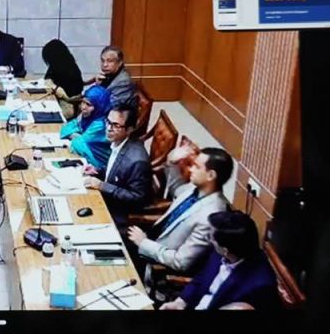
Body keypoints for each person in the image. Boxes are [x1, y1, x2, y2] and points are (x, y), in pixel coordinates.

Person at [126, 145, 233, 286]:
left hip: (154, 263)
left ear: (211, 175)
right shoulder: (196, 189)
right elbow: (176, 190)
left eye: (196, 167)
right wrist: (171, 162)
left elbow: (181, 262)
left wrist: (144, 243)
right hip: (146, 241)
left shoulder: (211, 216)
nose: (191, 169)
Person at [160, 211, 280, 310]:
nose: (208, 239)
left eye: (210, 237)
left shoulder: (260, 285)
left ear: (225, 250)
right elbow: (201, 278)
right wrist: (181, 302)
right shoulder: (221, 253)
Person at [82, 102, 152, 230]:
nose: (109, 128)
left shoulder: (137, 161)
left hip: (118, 213)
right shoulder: (117, 142)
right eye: (108, 122)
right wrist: (97, 171)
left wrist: (102, 186)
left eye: (116, 125)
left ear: (130, 129)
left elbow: (137, 198)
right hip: (106, 198)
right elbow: (115, 171)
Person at [59, 85, 112, 170]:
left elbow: (77, 145)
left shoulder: (100, 124)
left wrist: (73, 135)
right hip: (86, 160)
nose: (83, 107)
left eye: (88, 104)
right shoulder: (87, 115)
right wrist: (77, 136)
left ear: (99, 106)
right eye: (83, 102)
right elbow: (65, 128)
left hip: (98, 166)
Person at [42, 39, 84, 119]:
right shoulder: (62, 64)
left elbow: (49, 83)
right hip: (64, 101)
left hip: (68, 105)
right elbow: (47, 80)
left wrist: (54, 87)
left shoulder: (66, 70)